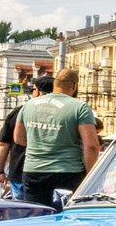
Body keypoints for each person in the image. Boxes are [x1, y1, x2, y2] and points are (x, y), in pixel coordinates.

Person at [17, 66, 102, 207]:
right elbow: (91, 146)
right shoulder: (80, 107)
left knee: (36, 216)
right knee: (67, 218)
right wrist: (91, 176)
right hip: (68, 172)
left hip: (34, 171)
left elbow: (18, 138)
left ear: (55, 84)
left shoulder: (29, 105)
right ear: (74, 85)